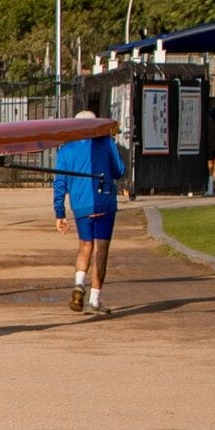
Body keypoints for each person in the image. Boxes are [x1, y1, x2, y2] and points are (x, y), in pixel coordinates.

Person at [50, 124, 129, 315]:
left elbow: (59, 183)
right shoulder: (106, 143)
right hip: (104, 202)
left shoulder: (65, 150)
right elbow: (119, 170)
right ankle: (94, 299)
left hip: (80, 205)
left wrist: (60, 213)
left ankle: (79, 284)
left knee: (85, 245)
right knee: (101, 249)